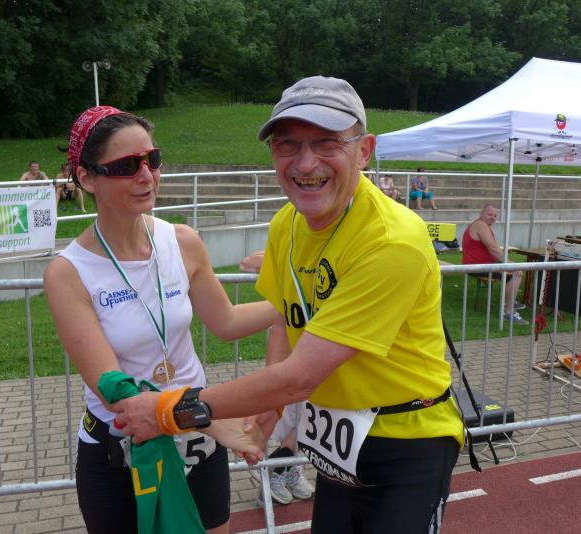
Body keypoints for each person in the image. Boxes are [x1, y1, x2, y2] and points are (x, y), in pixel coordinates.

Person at [117, 76, 465, 533]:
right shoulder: (288, 223)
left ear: (364, 151)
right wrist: (274, 408)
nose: (305, 163)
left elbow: (301, 376)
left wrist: (169, 411)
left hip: (407, 440)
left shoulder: (391, 241)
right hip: (337, 441)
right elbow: (285, 319)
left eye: (326, 143)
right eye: (287, 145)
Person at [43, 106, 271, 534]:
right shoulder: (68, 272)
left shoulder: (181, 241)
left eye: (153, 159)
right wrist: (209, 417)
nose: (146, 176)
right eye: (126, 166)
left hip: (198, 438)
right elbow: (114, 389)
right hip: (123, 450)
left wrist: (297, 303)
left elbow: (227, 322)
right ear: (86, 177)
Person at [239, 250, 314, 506]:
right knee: (293, 414)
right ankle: (275, 471)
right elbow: (247, 263)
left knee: (309, 416)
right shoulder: (292, 242)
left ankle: (288, 468)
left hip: (325, 351)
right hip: (295, 352)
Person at [462, 204, 527, 325]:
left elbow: (493, 250)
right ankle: (509, 312)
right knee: (515, 274)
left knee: (514, 271)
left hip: (481, 264)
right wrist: (510, 264)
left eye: (495, 215)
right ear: (482, 214)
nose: (492, 217)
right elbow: (493, 249)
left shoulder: (482, 225)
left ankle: (510, 302)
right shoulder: (481, 225)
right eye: (490, 214)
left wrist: (507, 263)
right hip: (476, 266)